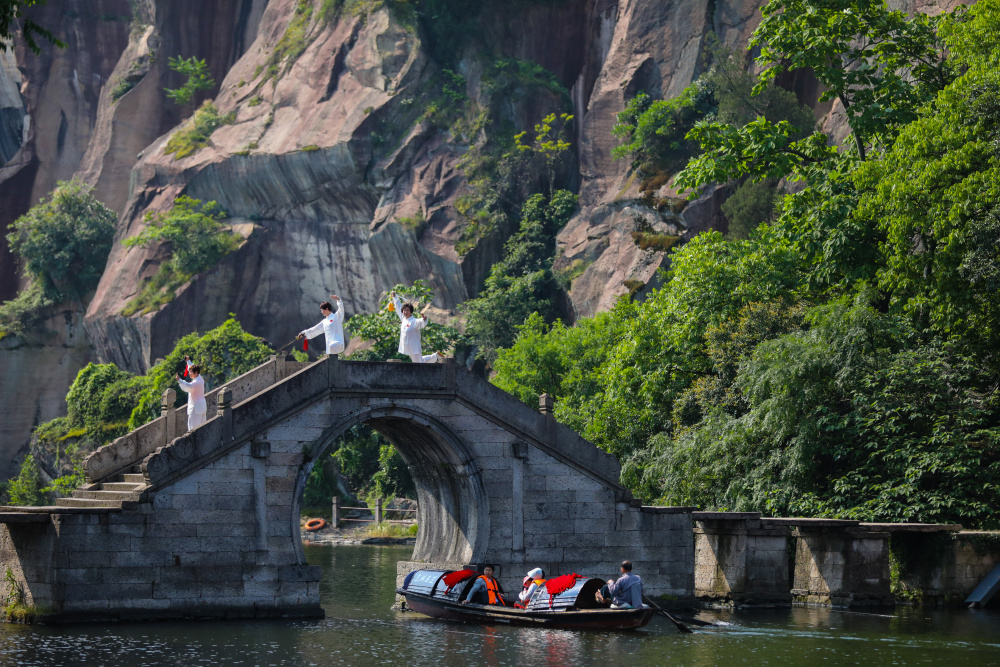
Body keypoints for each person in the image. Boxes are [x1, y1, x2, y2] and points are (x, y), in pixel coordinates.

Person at [390, 290, 438, 363]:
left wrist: (424, 319)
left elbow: (421, 321)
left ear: (411, 312)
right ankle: (435, 356)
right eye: (404, 310)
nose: (405, 312)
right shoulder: (403, 318)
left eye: (407, 310)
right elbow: (398, 306)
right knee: (418, 361)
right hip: (407, 345)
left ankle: (435, 356)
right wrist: (394, 297)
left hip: (414, 346)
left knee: (418, 362)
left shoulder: (414, 321)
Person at [175, 363, 207, 431]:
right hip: (201, 407)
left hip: (196, 409)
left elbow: (187, 386)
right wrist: (188, 361)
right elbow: (192, 366)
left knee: (193, 429)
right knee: (202, 428)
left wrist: (179, 380)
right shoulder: (200, 378)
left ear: (195, 372)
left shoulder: (196, 383)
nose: (189, 373)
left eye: (190, 372)